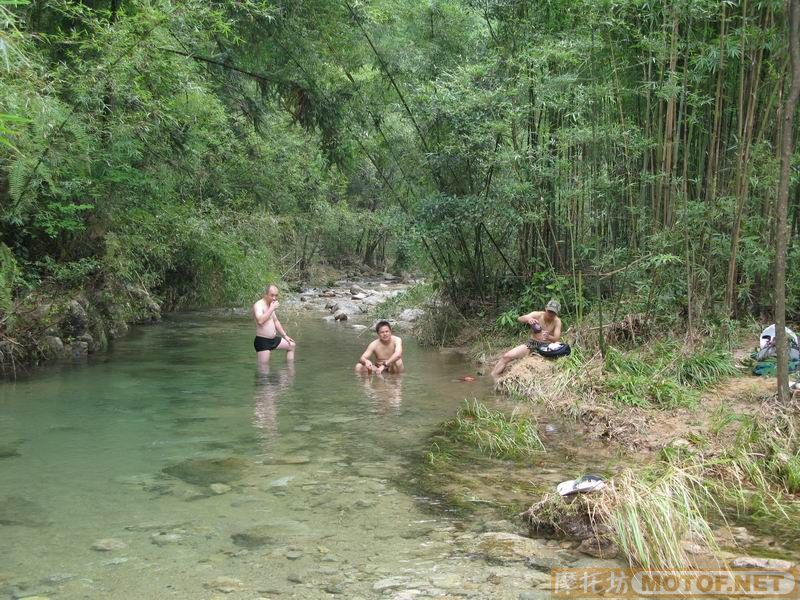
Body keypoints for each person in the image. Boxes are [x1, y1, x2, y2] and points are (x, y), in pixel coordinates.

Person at [491, 299, 562, 377]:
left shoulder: (557, 321)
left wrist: (549, 337)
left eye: (553, 312)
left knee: (558, 344)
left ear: (556, 313)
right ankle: (492, 377)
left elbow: (556, 339)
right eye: (549, 311)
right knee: (507, 356)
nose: (551, 314)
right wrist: (529, 319)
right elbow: (520, 318)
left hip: (547, 346)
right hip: (532, 343)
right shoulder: (538, 315)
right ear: (546, 308)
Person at [253, 284, 296, 366]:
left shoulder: (270, 304)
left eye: (276, 295)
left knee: (292, 345)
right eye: (272, 295)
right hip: (263, 341)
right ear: (265, 294)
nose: (274, 298)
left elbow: (276, 321)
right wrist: (272, 308)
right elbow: (260, 321)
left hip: (273, 340)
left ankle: (289, 370)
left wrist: (285, 335)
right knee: (263, 371)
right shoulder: (258, 305)